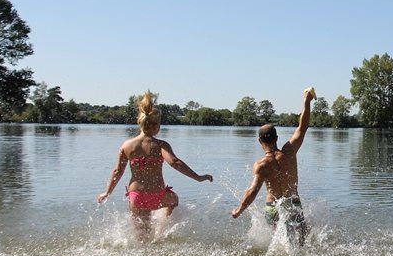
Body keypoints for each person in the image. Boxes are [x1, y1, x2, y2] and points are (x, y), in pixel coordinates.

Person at [97, 91, 212, 241]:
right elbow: (175, 162)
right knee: (174, 200)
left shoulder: (127, 146)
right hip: (158, 195)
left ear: (139, 122)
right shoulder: (160, 145)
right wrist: (198, 177)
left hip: (137, 196)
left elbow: (118, 171)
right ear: (157, 126)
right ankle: (162, 231)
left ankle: (144, 247)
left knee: (142, 238)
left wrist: (107, 192)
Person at [231, 87, 316, 246]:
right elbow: (302, 127)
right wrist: (307, 101)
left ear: (259, 141)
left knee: (279, 242)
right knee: (300, 242)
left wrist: (239, 210)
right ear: (277, 138)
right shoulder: (289, 151)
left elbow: (252, 192)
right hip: (293, 203)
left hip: (273, 207)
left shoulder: (261, 165)